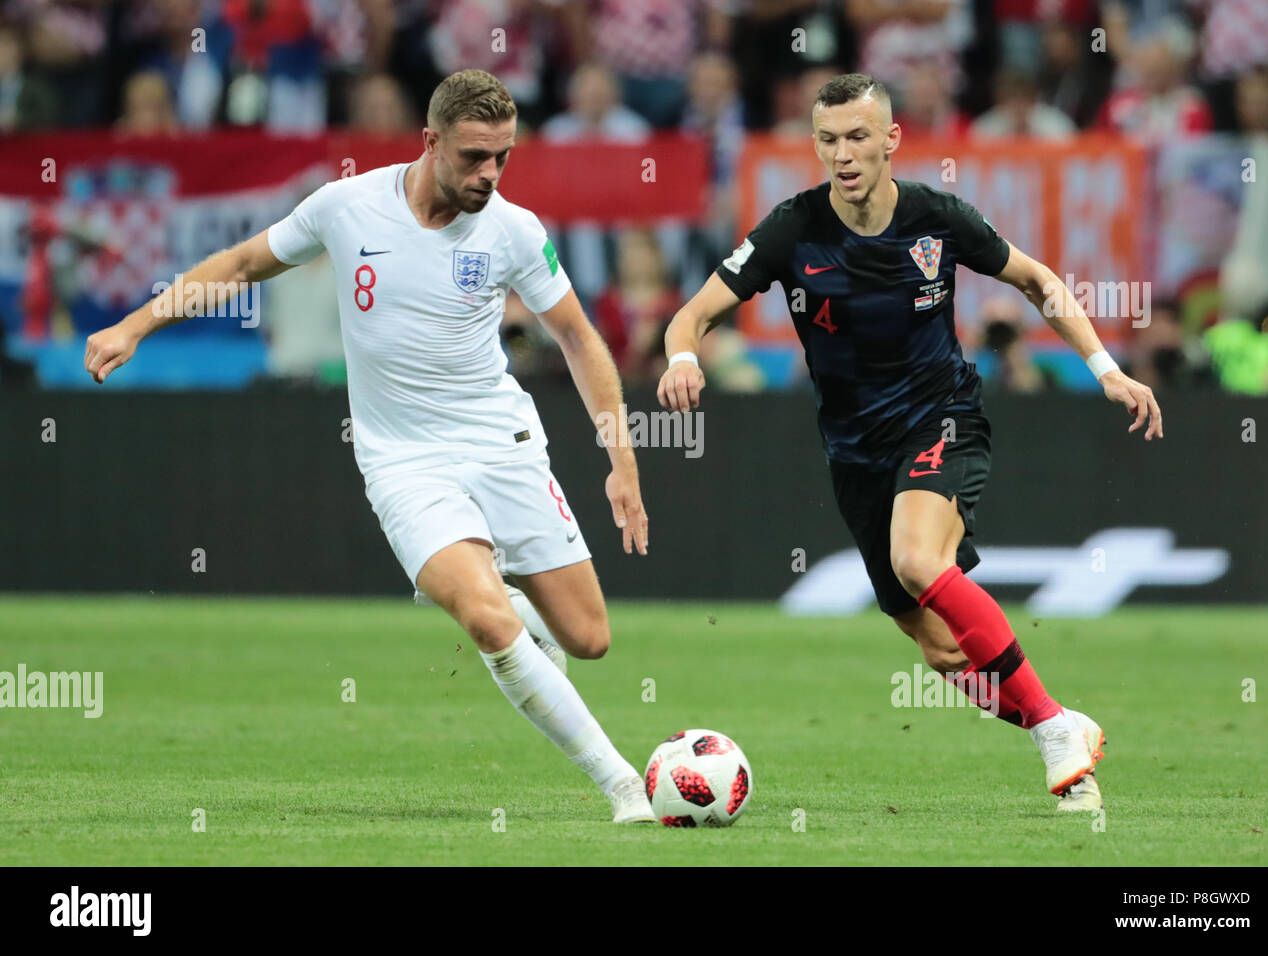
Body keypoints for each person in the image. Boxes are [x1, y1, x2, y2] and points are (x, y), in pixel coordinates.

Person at [83, 68, 656, 824]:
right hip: (403, 462)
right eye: (474, 157)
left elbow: (579, 340)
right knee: (489, 624)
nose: (489, 175)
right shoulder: (347, 206)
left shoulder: (514, 230)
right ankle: (622, 785)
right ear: (430, 142)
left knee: (588, 639)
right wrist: (135, 324)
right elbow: (243, 265)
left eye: (503, 158)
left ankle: (498, 587)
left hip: (502, 441)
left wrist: (621, 459)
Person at [658, 73, 1165, 811]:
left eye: (858, 137)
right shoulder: (790, 231)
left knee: (917, 558)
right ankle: (1056, 722)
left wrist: (1106, 369)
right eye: (828, 140)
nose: (843, 154)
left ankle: (1053, 734)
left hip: (941, 416)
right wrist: (682, 358)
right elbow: (691, 315)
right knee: (938, 646)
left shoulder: (938, 218)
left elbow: (1034, 280)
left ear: (890, 139)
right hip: (855, 453)